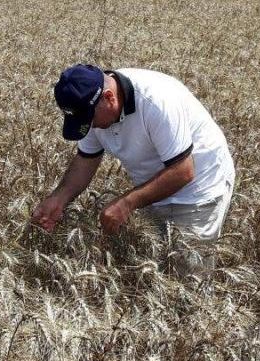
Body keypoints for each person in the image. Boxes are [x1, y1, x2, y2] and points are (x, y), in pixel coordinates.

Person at [32, 64, 236, 255]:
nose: (89, 127)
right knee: (153, 261)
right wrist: (58, 199)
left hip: (200, 187)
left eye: (89, 120)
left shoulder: (156, 101)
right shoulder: (91, 110)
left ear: (109, 98)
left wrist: (126, 203)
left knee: (187, 270)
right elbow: (86, 159)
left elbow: (183, 171)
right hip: (155, 187)